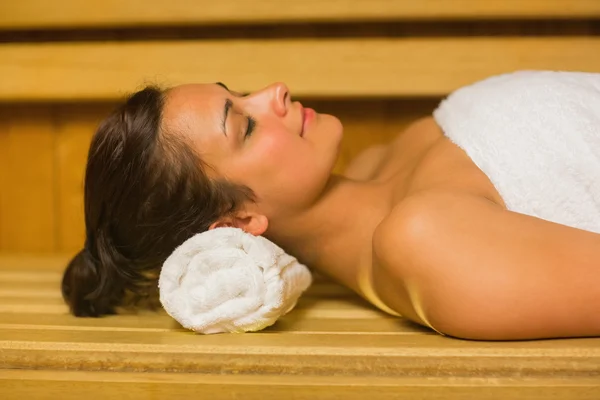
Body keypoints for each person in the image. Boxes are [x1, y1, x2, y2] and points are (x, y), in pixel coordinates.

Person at [61, 78, 600, 341]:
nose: (275, 91)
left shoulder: (381, 161)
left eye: (241, 93)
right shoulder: (427, 244)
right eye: (244, 125)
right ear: (237, 222)